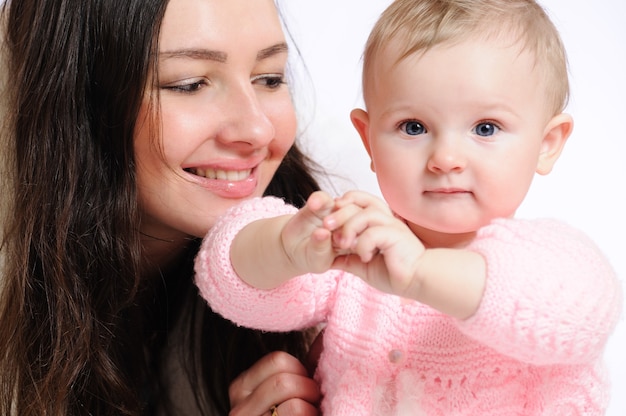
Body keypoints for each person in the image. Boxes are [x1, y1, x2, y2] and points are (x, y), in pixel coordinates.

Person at [195, 0, 623, 414]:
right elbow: (228, 276)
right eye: (413, 127)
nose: (446, 158)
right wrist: (286, 250)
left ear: (547, 145)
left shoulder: (553, 262)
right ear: (369, 141)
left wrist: (418, 272)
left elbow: (575, 315)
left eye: (485, 128)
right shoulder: (357, 253)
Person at [0, 0, 325, 415]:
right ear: (76, 99)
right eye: (189, 84)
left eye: (269, 78)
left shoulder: (321, 279)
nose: (258, 129)